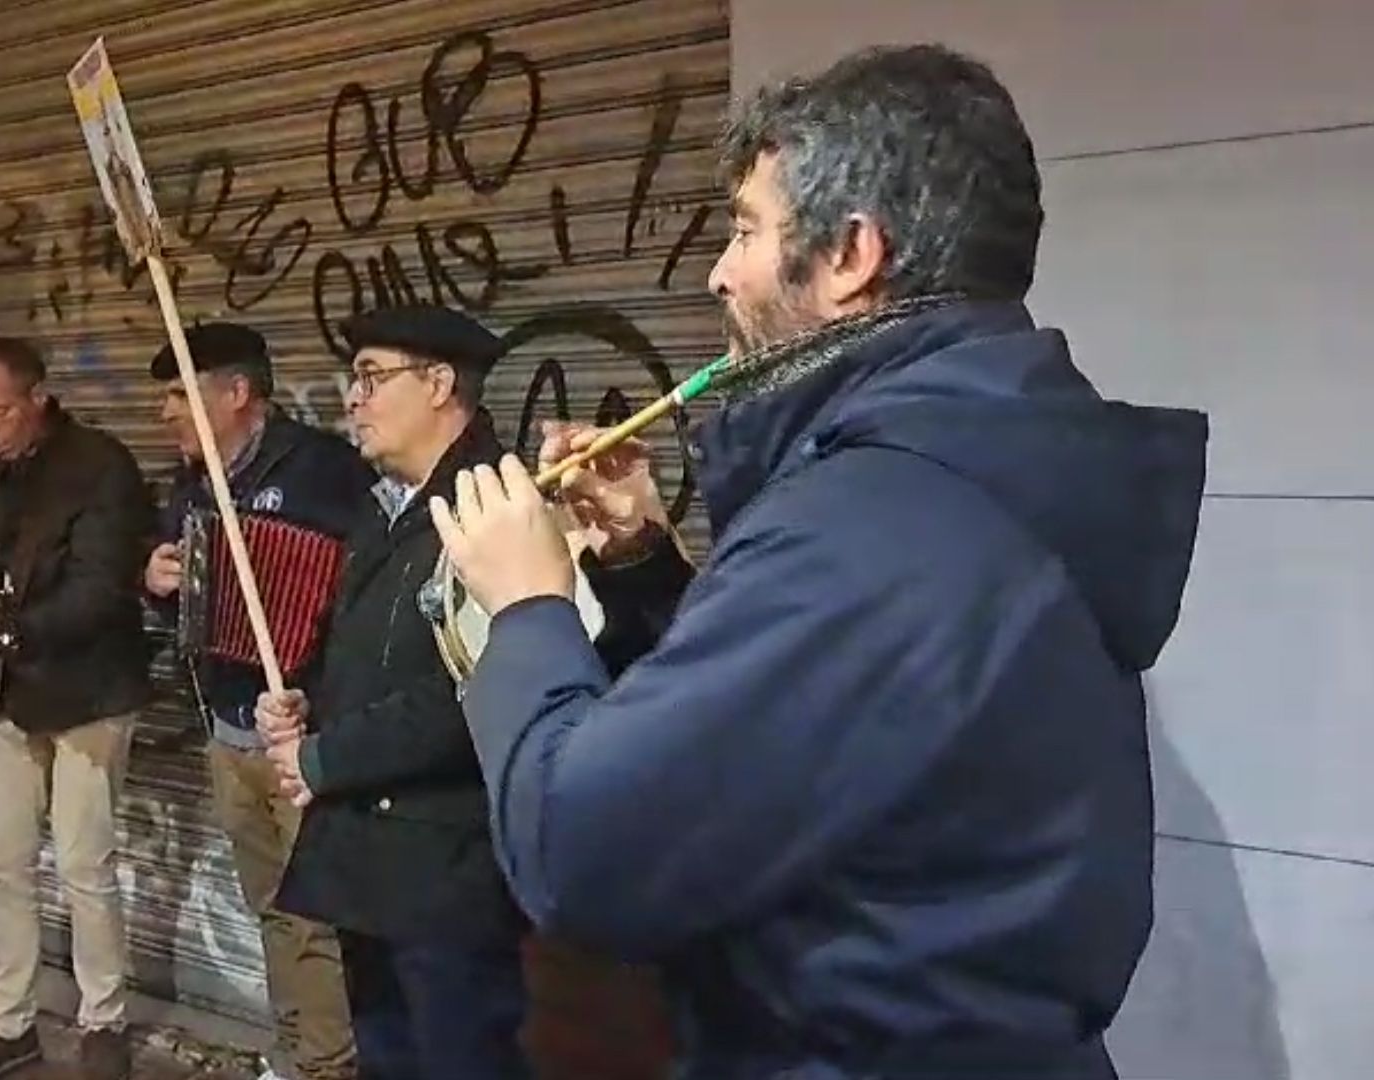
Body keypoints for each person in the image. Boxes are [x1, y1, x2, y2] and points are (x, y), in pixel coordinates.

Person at [430, 45, 1210, 1080]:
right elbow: (798, 739)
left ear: (850, 254)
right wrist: (646, 566)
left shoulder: (874, 517)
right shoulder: (978, 472)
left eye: (746, 228)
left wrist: (527, 605)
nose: (716, 271)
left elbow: (581, 858)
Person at [254, 305, 533, 1080]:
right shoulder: (389, 510)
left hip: (445, 871)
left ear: (440, 384)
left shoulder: (495, 510)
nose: (352, 398)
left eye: (372, 377)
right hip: (373, 867)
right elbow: (379, 657)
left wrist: (325, 758)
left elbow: (471, 695)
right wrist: (312, 702)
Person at [0, 336, 154, 1080]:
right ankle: (10, 1023)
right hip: (13, 694)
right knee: (3, 864)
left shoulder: (103, 468)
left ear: (40, 396)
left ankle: (103, 1022)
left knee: (86, 864)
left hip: (91, 694)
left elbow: (102, 590)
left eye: (0, 413)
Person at [141, 321, 375, 1080]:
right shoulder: (191, 481)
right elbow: (184, 611)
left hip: (301, 734)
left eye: (182, 394)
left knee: (320, 917)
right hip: (227, 729)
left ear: (237, 392)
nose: (166, 412)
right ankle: (295, 1053)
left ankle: (332, 1064)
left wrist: (320, 696)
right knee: (272, 907)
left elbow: (365, 605)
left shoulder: (324, 472)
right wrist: (156, 585)